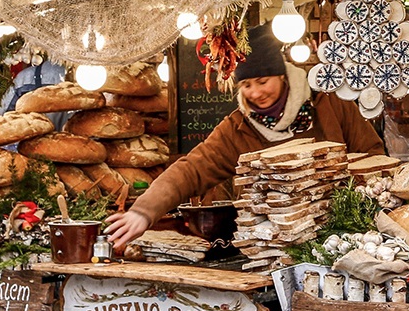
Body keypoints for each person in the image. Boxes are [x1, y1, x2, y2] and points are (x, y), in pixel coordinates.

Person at [105, 24, 385, 249]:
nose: (255, 93)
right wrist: (143, 211)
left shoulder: (329, 104)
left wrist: (358, 212)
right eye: (247, 84)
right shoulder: (238, 128)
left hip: (348, 239)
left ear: (282, 76)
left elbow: (373, 157)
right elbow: (191, 170)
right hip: (272, 246)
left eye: (263, 82)